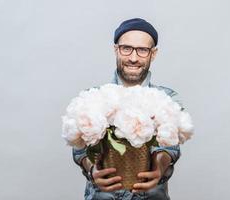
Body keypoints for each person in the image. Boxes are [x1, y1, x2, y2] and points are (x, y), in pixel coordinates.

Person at [73, 18, 184, 200]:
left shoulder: (168, 99)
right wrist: (91, 169)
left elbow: (171, 147)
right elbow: (79, 150)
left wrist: (159, 166)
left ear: (153, 54)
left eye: (142, 50)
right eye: (126, 48)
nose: (133, 58)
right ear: (116, 49)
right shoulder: (92, 98)